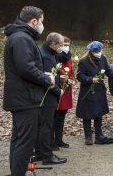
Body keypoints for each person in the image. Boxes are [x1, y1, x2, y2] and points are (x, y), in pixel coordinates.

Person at [3, 6, 55, 176]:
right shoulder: (22, 39)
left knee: (19, 139)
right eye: (42, 21)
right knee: (25, 142)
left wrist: (41, 73)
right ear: (34, 21)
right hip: (25, 98)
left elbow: (26, 66)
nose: (42, 25)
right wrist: (46, 78)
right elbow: (25, 68)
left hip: (21, 97)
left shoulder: (19, 36)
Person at [76, 41, 113, 145]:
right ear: (91, 51)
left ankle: (99, 136)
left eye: (99, 50)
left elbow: (108, 71)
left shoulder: (103, 58)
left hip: (99, 90)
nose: (98, 52)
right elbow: (80, 76)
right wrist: (91, 79)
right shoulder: (83, 61)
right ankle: (88, 137)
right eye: (96, 51)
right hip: (88, 90)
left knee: (99, 113)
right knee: (87, 114)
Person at [36, 32, 67, 165]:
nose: (62, 47)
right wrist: (58, 90)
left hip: (43, 95)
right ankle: (47, 156)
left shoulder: (45, 51)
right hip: (47, 96)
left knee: (41, 125)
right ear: (53, 44)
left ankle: (39, 152)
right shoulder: (47, 56)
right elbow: (48, 78)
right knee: (47, 126)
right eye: (61, 45)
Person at [52, 36, 75, 148]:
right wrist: (61, 78)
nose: (65, 47)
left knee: (62, 116)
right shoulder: (54, 57)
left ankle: (59, 139)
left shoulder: (69, 58)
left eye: (67, 44)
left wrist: (71, 79)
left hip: (66, 90)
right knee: (54, 116)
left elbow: (71, 72)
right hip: (57, 90)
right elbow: (53, 72)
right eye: (63, 44)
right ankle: (51, 141)